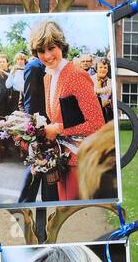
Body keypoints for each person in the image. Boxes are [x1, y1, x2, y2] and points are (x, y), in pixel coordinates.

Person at [31, 20, 105, 202]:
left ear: (61, 46)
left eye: (51, 48)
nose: (47, 55)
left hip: (80, 161)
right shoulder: (48, 77)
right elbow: (58, 117)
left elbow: (97, 124)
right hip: (60, 160)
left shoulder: (77, 75)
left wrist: (57, 129)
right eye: (41, 51)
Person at [16, 51, 48, 204]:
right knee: (36, 166)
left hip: (52, 123)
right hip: (39, 124)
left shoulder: (48, 65)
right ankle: (23, 205)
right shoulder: (34, 67)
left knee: (45, 166)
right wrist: (31, 127)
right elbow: (29, 99)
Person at [94, 57, 114, 123]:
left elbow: (105, 101)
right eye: (100, 67)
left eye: (105, 68)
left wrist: (108, 102)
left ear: (108, 70)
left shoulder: (110, 82)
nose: (103, 70)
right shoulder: (90, 80)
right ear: (96, 68)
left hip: (106, 115)